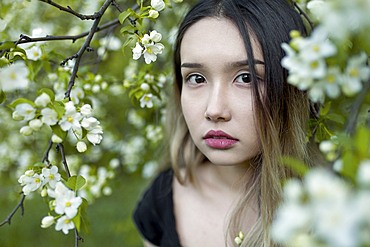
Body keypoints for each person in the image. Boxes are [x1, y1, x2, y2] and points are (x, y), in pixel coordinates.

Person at [133, 0, 310, 246]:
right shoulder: (161, 202)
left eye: (246, 78)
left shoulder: (331, 208)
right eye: (196, 78)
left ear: (291, 87)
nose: (214, 110)